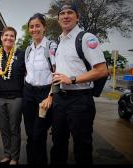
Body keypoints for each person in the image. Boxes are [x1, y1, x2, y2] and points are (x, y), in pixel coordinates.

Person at [50, 2, 108, 165]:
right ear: (58, 18)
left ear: (77, 17)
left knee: (82, 149)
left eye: (70, 13)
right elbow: (59, 70)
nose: (66, 16)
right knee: (58, 144)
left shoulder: (86, 38)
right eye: (62, 13)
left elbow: (102, 70)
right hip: (60, 100)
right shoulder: (59, 41)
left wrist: (73, 79)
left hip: (80, 101)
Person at [23, 13, 57, 165]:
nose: (34, 29)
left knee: (39, 133)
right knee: (30, 133)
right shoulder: (28, 49)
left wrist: (51, 96)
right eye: (31, 26)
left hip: (45, 94)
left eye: (37, 25)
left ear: (44, 27)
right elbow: (27, 72)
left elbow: (57, 72)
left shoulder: (51, 47)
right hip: (29, 93)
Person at [0, 27, 25, 165]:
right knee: (4, 129)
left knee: (14, 129)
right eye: (6, 35)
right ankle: (7, 154)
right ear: (1, 38)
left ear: (15, 38)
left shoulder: (21, 54)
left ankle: (14, 157)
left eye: (12, 36)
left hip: (16, 97)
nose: (8, 38)